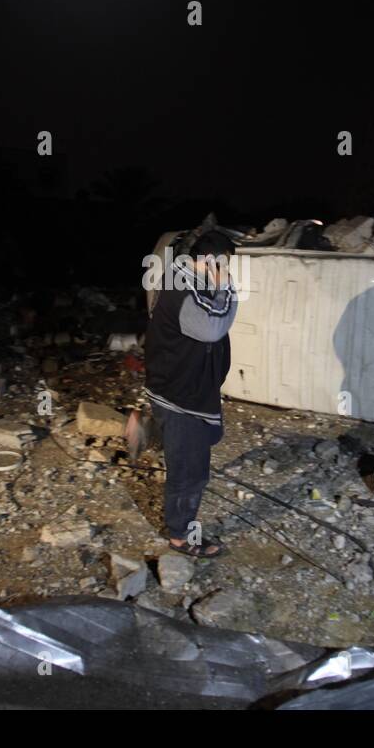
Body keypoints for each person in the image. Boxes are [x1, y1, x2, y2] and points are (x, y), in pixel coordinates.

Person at [142, 230, 238, 557]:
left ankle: (147, 430)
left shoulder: (187, 281)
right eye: (225, 262)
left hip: (184, 391)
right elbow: (212, 327)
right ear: (211, 259)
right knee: (189, 472)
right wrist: (225, 286)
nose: (228, 270)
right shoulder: (181, 287)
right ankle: (181, 537)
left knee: (196, 453)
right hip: (181, 398)